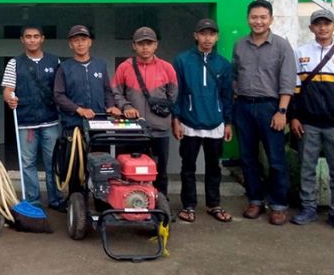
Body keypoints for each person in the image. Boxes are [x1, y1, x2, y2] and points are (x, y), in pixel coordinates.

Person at [290, 10, 334, 232]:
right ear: (311, 28)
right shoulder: (300, 53)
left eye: (326, 24)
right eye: (317, 24)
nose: (322, 28)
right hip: (308, 123)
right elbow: (294, 90)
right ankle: (308, 208)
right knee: (306, 168)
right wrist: (293, 117)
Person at [232, 0, 297, 225]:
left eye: (262, 17)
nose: (258, 21)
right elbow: (234, 76)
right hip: (244, 107)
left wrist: (282, 111)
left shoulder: (281, 46)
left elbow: (288, 81)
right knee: (248, 158)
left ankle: (278, 205)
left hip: (271, 108)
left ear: (271, 19)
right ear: (248, 18)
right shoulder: (239, 45)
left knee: (276, 159)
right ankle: (255, 200)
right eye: (254, 17)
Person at [171, 19, 234, 223]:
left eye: (212, 34)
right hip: (189, 122)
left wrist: (228, 122)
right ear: (195, 35)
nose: (208, 38)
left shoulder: (223, 64)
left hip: (215, 123)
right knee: (188, 166)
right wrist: (176, 118)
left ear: (216, 37)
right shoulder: (182, 60)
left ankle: (214, 204)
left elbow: (227, 95)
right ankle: (188, 205)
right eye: (203, 33)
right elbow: (177, 93)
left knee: (213, 166)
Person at [111, 26, 178, 197]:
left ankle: (161, 207)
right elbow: (116, 93)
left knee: (159, 172)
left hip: (160, 130)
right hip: (131, 130)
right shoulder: (124, 67)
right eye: (141, 44)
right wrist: (126, 107)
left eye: (149, 43)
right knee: (128, 171)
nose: (145, 48)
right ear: (134, 46)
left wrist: (174, 120)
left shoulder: (167, 68)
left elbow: (173, 98)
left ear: (156, 45)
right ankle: (129, 206)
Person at [1, 26, 62, 210]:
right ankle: (32, 201)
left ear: (42, 38)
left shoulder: (55, 61)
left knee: (54, 162)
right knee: (28, 164)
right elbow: (7, 89)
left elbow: (60, 90)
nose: (32, 40)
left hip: (51, 121)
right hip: (26, 122)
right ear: (22, 40)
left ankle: (56, 199)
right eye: (28, 37)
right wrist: (10, 99)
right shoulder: (14, 63)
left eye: (36, 36)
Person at [54, 25, 122, 131]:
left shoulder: (100, 65)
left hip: (99, 121)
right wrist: (79, 110)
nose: (80, 44)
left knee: (100, 148)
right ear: (71, 45)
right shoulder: (64, 67)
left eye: (83, 40)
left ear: (90, 42)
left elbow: (107, 91)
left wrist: (111, 106)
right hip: (73, 123)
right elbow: (58, 96)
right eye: (76, 41)